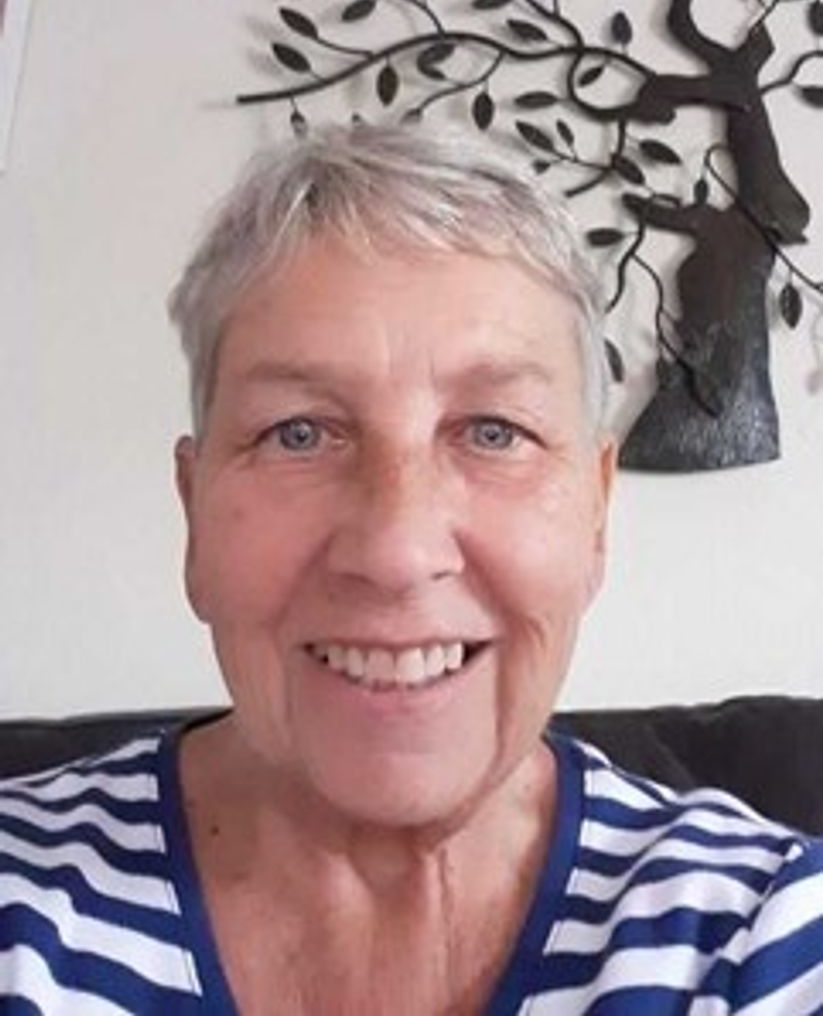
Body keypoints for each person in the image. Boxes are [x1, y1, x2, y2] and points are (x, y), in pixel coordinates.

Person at [2, 122, 823, 1016]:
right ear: (194, 510)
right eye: (298, 433)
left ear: (595, 515)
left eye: (493, 432)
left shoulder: (763, 935)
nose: (395, 552)